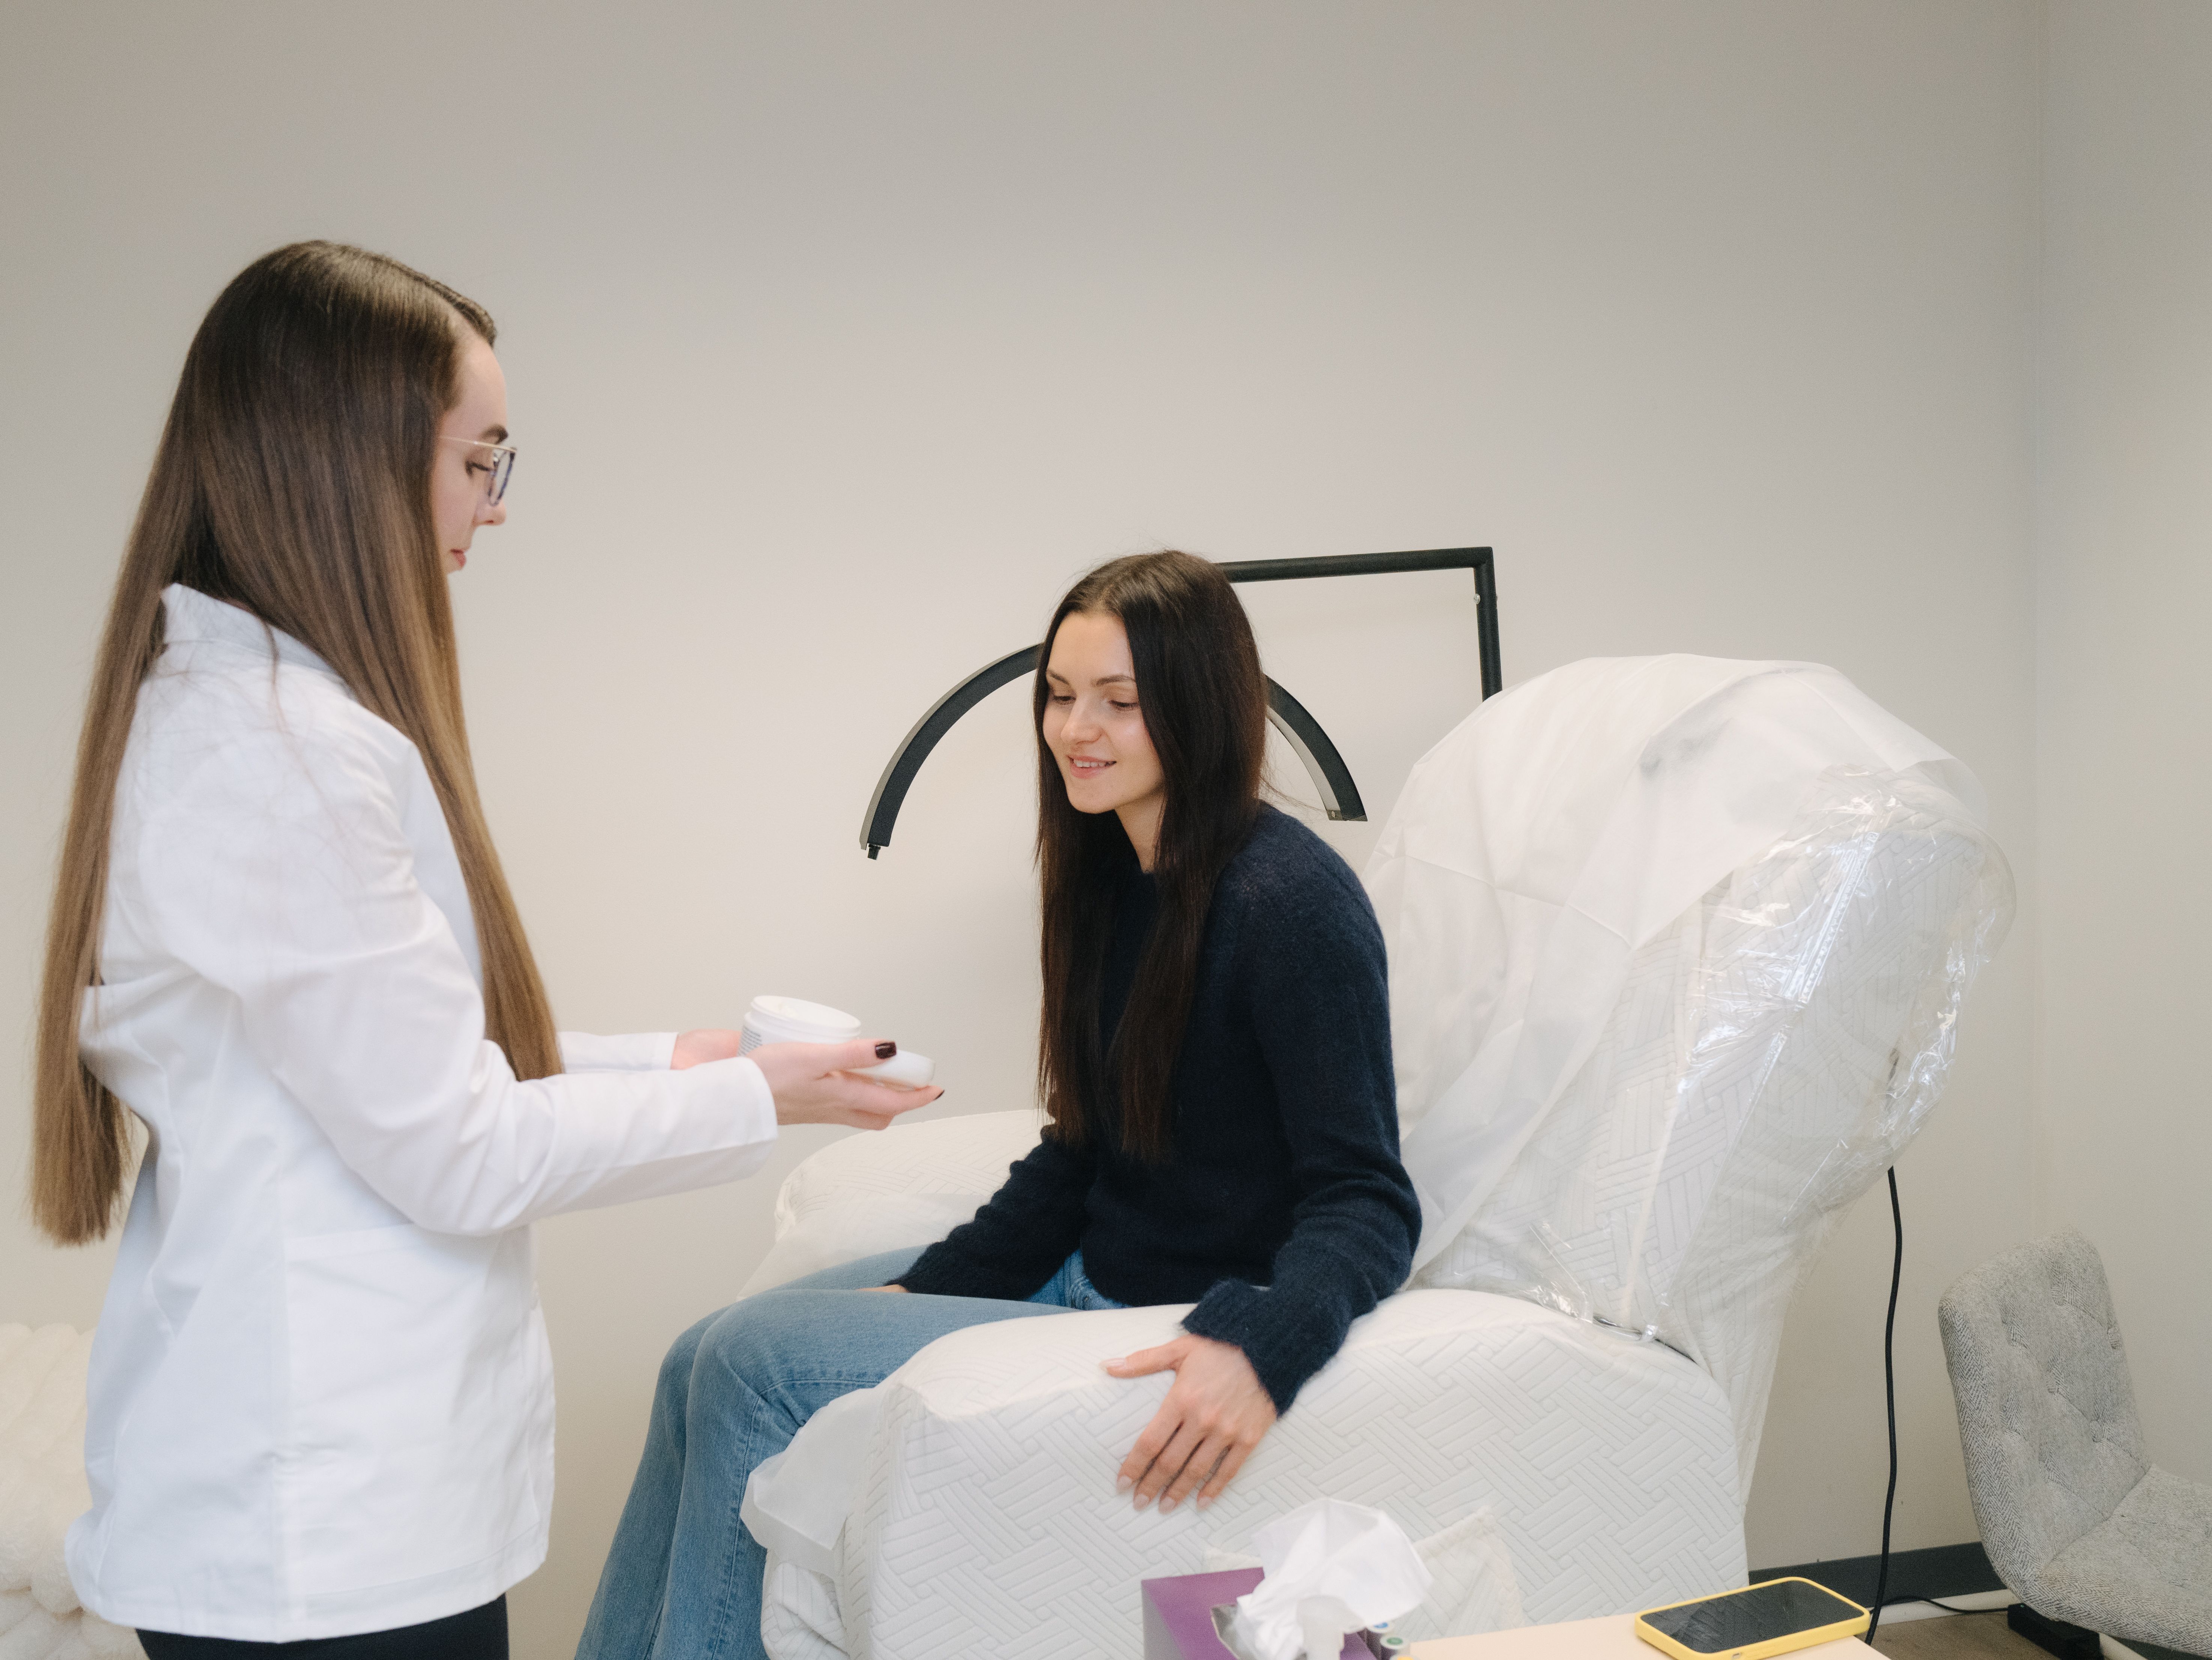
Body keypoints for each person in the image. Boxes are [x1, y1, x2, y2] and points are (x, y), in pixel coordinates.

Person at [28, 241, 936, 1659]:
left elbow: (372, 1063)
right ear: (353, 460)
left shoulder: (257, 718)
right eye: (479, 460)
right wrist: (766, 1099)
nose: (494, 509)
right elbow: (451, 1144)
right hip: (317, 1526)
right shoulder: (279, 753)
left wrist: (685, 1058)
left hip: (325, 1503)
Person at [579, 551, 1421, 1660]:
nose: (1079, 728)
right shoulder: (1114, 875)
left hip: (1153, 1321)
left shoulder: (1291, 905)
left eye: (1120, 702)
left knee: (751, 1365)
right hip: (1078, 1280)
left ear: (1202, 706)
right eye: (1062, 697)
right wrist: (925, 1292)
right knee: (702, 1352)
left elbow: (1367, 1201)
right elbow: (1084, 1151)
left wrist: (1261, 1345)